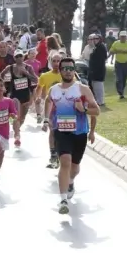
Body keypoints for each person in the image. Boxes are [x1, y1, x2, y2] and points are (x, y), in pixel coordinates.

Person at [43, 57, 100, 214]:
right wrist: (47, 120)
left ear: (74, 70)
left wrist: (84, 110)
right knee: (65, 162)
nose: (68, 71)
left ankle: (71, 181)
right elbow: (48, 102)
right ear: (60, 71)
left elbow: (97, 111)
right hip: (62, 132)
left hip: (79, 133)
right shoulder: (54, 90)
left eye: (70, 68)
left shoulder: (83, 89)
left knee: (74, 168)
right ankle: (63, 200)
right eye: (65, 68)